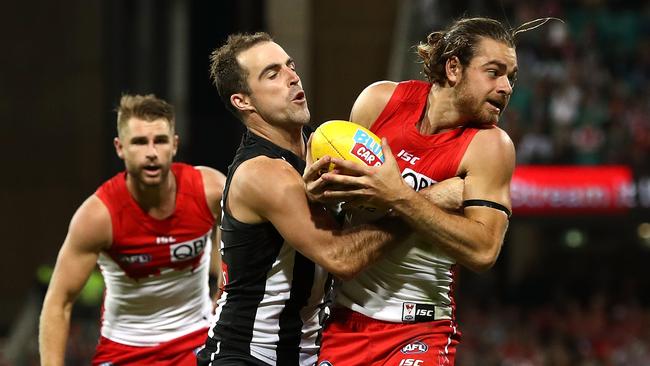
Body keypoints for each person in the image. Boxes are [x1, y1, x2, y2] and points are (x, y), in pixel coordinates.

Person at [197, 32, 464, 366]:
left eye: (290, 65)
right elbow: (341, 258)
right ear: (243, 101)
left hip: (310, 353)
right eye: (272, 74)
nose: (292, 77)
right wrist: (421, 202)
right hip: (247, 355)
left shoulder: (326, 147)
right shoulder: (262, 172)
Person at [307, 17, 534, 366]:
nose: (506, 87)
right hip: (342, 321)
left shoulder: (491, 146)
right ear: (454, 67)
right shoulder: (379, 101)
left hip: (418, 329)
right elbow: (340, 210)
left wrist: (400, 196)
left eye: (511, 77)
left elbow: (484, 250)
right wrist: (318, 190)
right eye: (494, 72)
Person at [39, 94, 226, 366]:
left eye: (160, 141)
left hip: (198, 343)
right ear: (120, 147)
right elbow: (58, 303)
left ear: (174, 145)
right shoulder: (98, 216)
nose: (151, 152)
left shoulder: (210, 190)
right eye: (139, 142)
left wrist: (222, 298)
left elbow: (242, 248)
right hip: (125, 351)